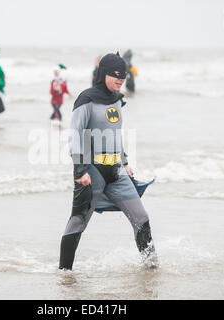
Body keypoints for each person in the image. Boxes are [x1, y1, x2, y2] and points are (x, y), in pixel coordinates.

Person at [59, 53, 157, 271]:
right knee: (78, 222)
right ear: (104, 73)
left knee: (141, 217)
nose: (121, 79)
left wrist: (124, 162)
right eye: (116, 75)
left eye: (123, 75)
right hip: (91, 172)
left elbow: (115, 134)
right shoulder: (87, 99)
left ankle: (151, 269)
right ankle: (64, 273)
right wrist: (80, 170)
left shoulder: (117, 99)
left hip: (116, 172)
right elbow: (75, 135)